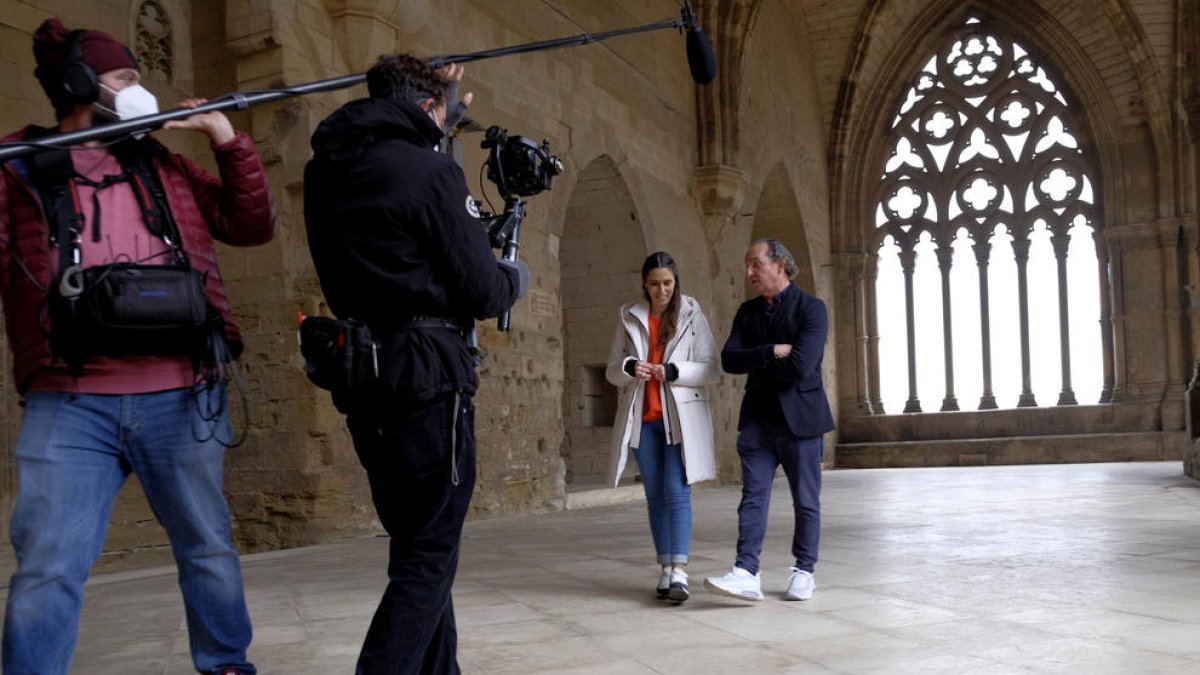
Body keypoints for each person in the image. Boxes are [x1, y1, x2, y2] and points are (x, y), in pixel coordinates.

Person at [0, 18, 275, 675]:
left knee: (207, 543)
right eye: (126, 79)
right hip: (70, 398)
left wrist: (227, 142)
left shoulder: (166, 165)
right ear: (78, 83)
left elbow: (251, 223)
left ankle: (227, 664)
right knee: (48, 561)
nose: (139, 91)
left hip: (182, 389)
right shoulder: (18, 168)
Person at [303, 54, 528, 674]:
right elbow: (482, 290)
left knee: (419, 547)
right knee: (428, 554)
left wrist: (442, 105)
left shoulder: (326, 172)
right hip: (428, 376)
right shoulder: (430, 173)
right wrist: (515, 276)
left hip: (363, 372)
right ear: (429, 109)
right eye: (444, 111)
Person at [703, 239, 835, 602]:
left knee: (806, 501)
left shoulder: (812, 309)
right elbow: (729, 360)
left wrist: (757, 361)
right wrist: (772, 351)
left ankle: (804, 571)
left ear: (779, 264)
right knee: (752, 498)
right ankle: (746, 572)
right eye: (748, 266)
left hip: (802, 423)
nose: (749, 274)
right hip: (759, 422)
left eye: (755, 265)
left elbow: (801, 366)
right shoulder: (747, 312)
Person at [605, 252, 720, 604]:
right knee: (655, 496)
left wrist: (672, 371)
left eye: (667, 283)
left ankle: (680, 569)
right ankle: (666, 568)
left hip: (680, 419)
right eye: (654, 284)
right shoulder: (628, 315)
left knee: (677, 491)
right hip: (643, 420)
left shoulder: (691, 314)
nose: (661, 290)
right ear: (644, 283)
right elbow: (611, 369)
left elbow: (711, 368)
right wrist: (629, 367)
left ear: (676, 282)